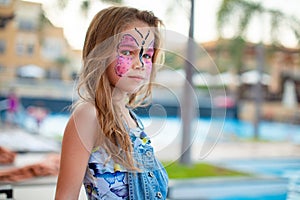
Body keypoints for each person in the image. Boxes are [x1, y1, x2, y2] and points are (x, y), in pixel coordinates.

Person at [55, 6, 168, 200]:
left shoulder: (133, 121)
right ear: (100, 53)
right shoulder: (89, 116)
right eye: (127, 52)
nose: (139, 63)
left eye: (147, 55)